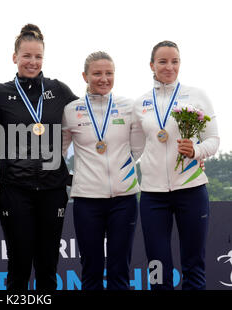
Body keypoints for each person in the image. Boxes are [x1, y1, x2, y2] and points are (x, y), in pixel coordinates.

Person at [0, 24, 78, 290]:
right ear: (15, 57)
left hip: (52, 189)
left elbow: (88, 121)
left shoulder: (58, 90)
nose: (32, 62)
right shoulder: (0, 93)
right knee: (19, 268)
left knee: (48, 268)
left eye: (38, 57)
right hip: (15, 190)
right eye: (27, 56)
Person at [134, 40, 220, 290]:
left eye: (175, 61)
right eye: (162, 61)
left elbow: (213, 140)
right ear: (152, 65)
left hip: (192, 190)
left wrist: (196, 151)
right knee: (158, 268)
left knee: (194, 266)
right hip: (152, 194)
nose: (169, 67)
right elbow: (135, 149)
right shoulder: (140, 103)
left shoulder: (197, 95)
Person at [62, 51, 142, 290]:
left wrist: (123, 172)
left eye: (109, 73)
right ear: (85, 76)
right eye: (97, 73)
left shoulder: (129, 107)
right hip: (87, 200)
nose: (103, 78)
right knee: (91, 270)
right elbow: (59, 152)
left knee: (120, 270)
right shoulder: (71, 110)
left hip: (124, 199)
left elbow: (137, 149)